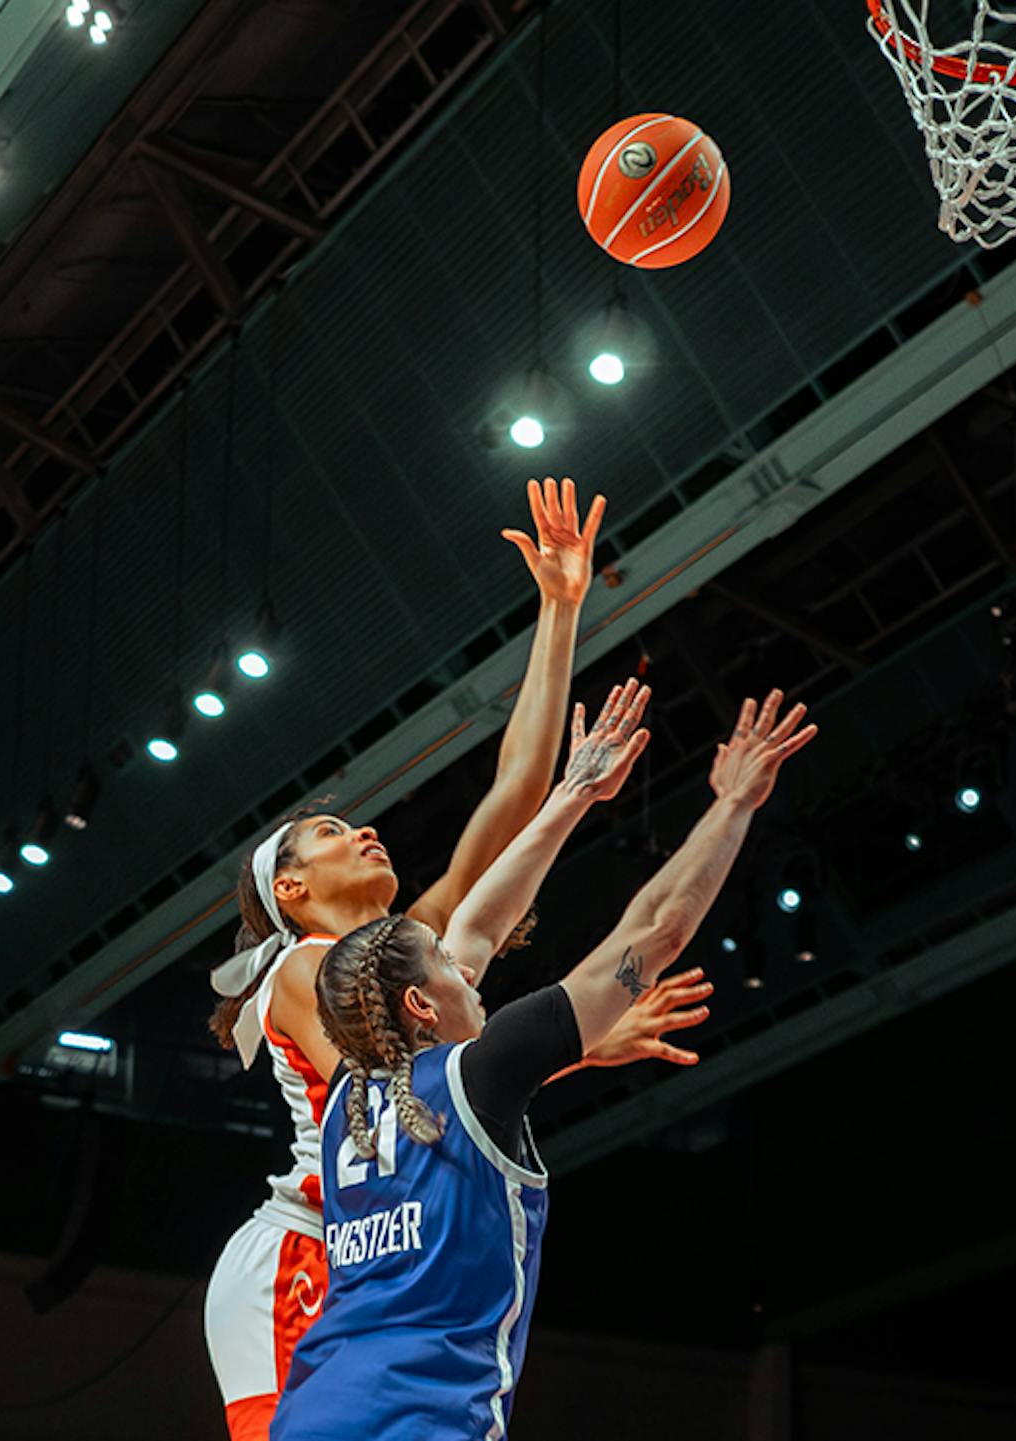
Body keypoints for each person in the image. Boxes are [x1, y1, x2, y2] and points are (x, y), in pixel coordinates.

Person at [202, 484, 708, 1441]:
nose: (364, 831)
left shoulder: (394, 951)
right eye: (329, 832)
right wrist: (568, 1047)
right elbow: (400, 1084)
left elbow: (513, 799)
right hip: (307, 1255)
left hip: (378, 1255)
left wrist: (560, 612)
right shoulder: (305, 972)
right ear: (293, 893)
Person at [269, 688, 817, 1441]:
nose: (472, 971)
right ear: (421, 1006)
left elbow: (477, 925)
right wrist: (733, 804)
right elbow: (657, 930)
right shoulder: (482, 1070)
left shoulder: (342, 1107)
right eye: (453, 970)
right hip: (418, 1424)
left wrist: (575, 794)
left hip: (310, 1410)